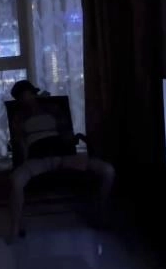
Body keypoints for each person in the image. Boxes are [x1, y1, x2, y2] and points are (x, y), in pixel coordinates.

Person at [7, 80, 115, 242]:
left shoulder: (53, 109)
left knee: (108, 170)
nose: (27, 99)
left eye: (29, 94)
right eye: (23, 97)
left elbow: (67, 134)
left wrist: (73, 139)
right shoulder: (19, 116)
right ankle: (15, 228)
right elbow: (20, 141)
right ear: (19, 100)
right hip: (38, 158)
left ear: (34, 93)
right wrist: (22, 158)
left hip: (63, 155)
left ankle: (100, 213)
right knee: (16, 180)